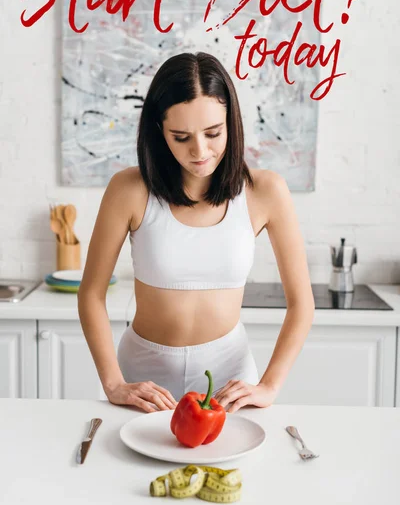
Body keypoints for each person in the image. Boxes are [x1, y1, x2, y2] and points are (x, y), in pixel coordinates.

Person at [77, 51, 315, 414]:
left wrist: (269, 386)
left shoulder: (265, 191)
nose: (200, 151)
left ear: (230, 122)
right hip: (144, 380)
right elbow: (91, 294)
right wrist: (113, 384)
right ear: (160, 131)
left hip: (228, 383)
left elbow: (302, 304)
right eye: (181, 136)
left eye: (213, 133)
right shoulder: (129, 189)